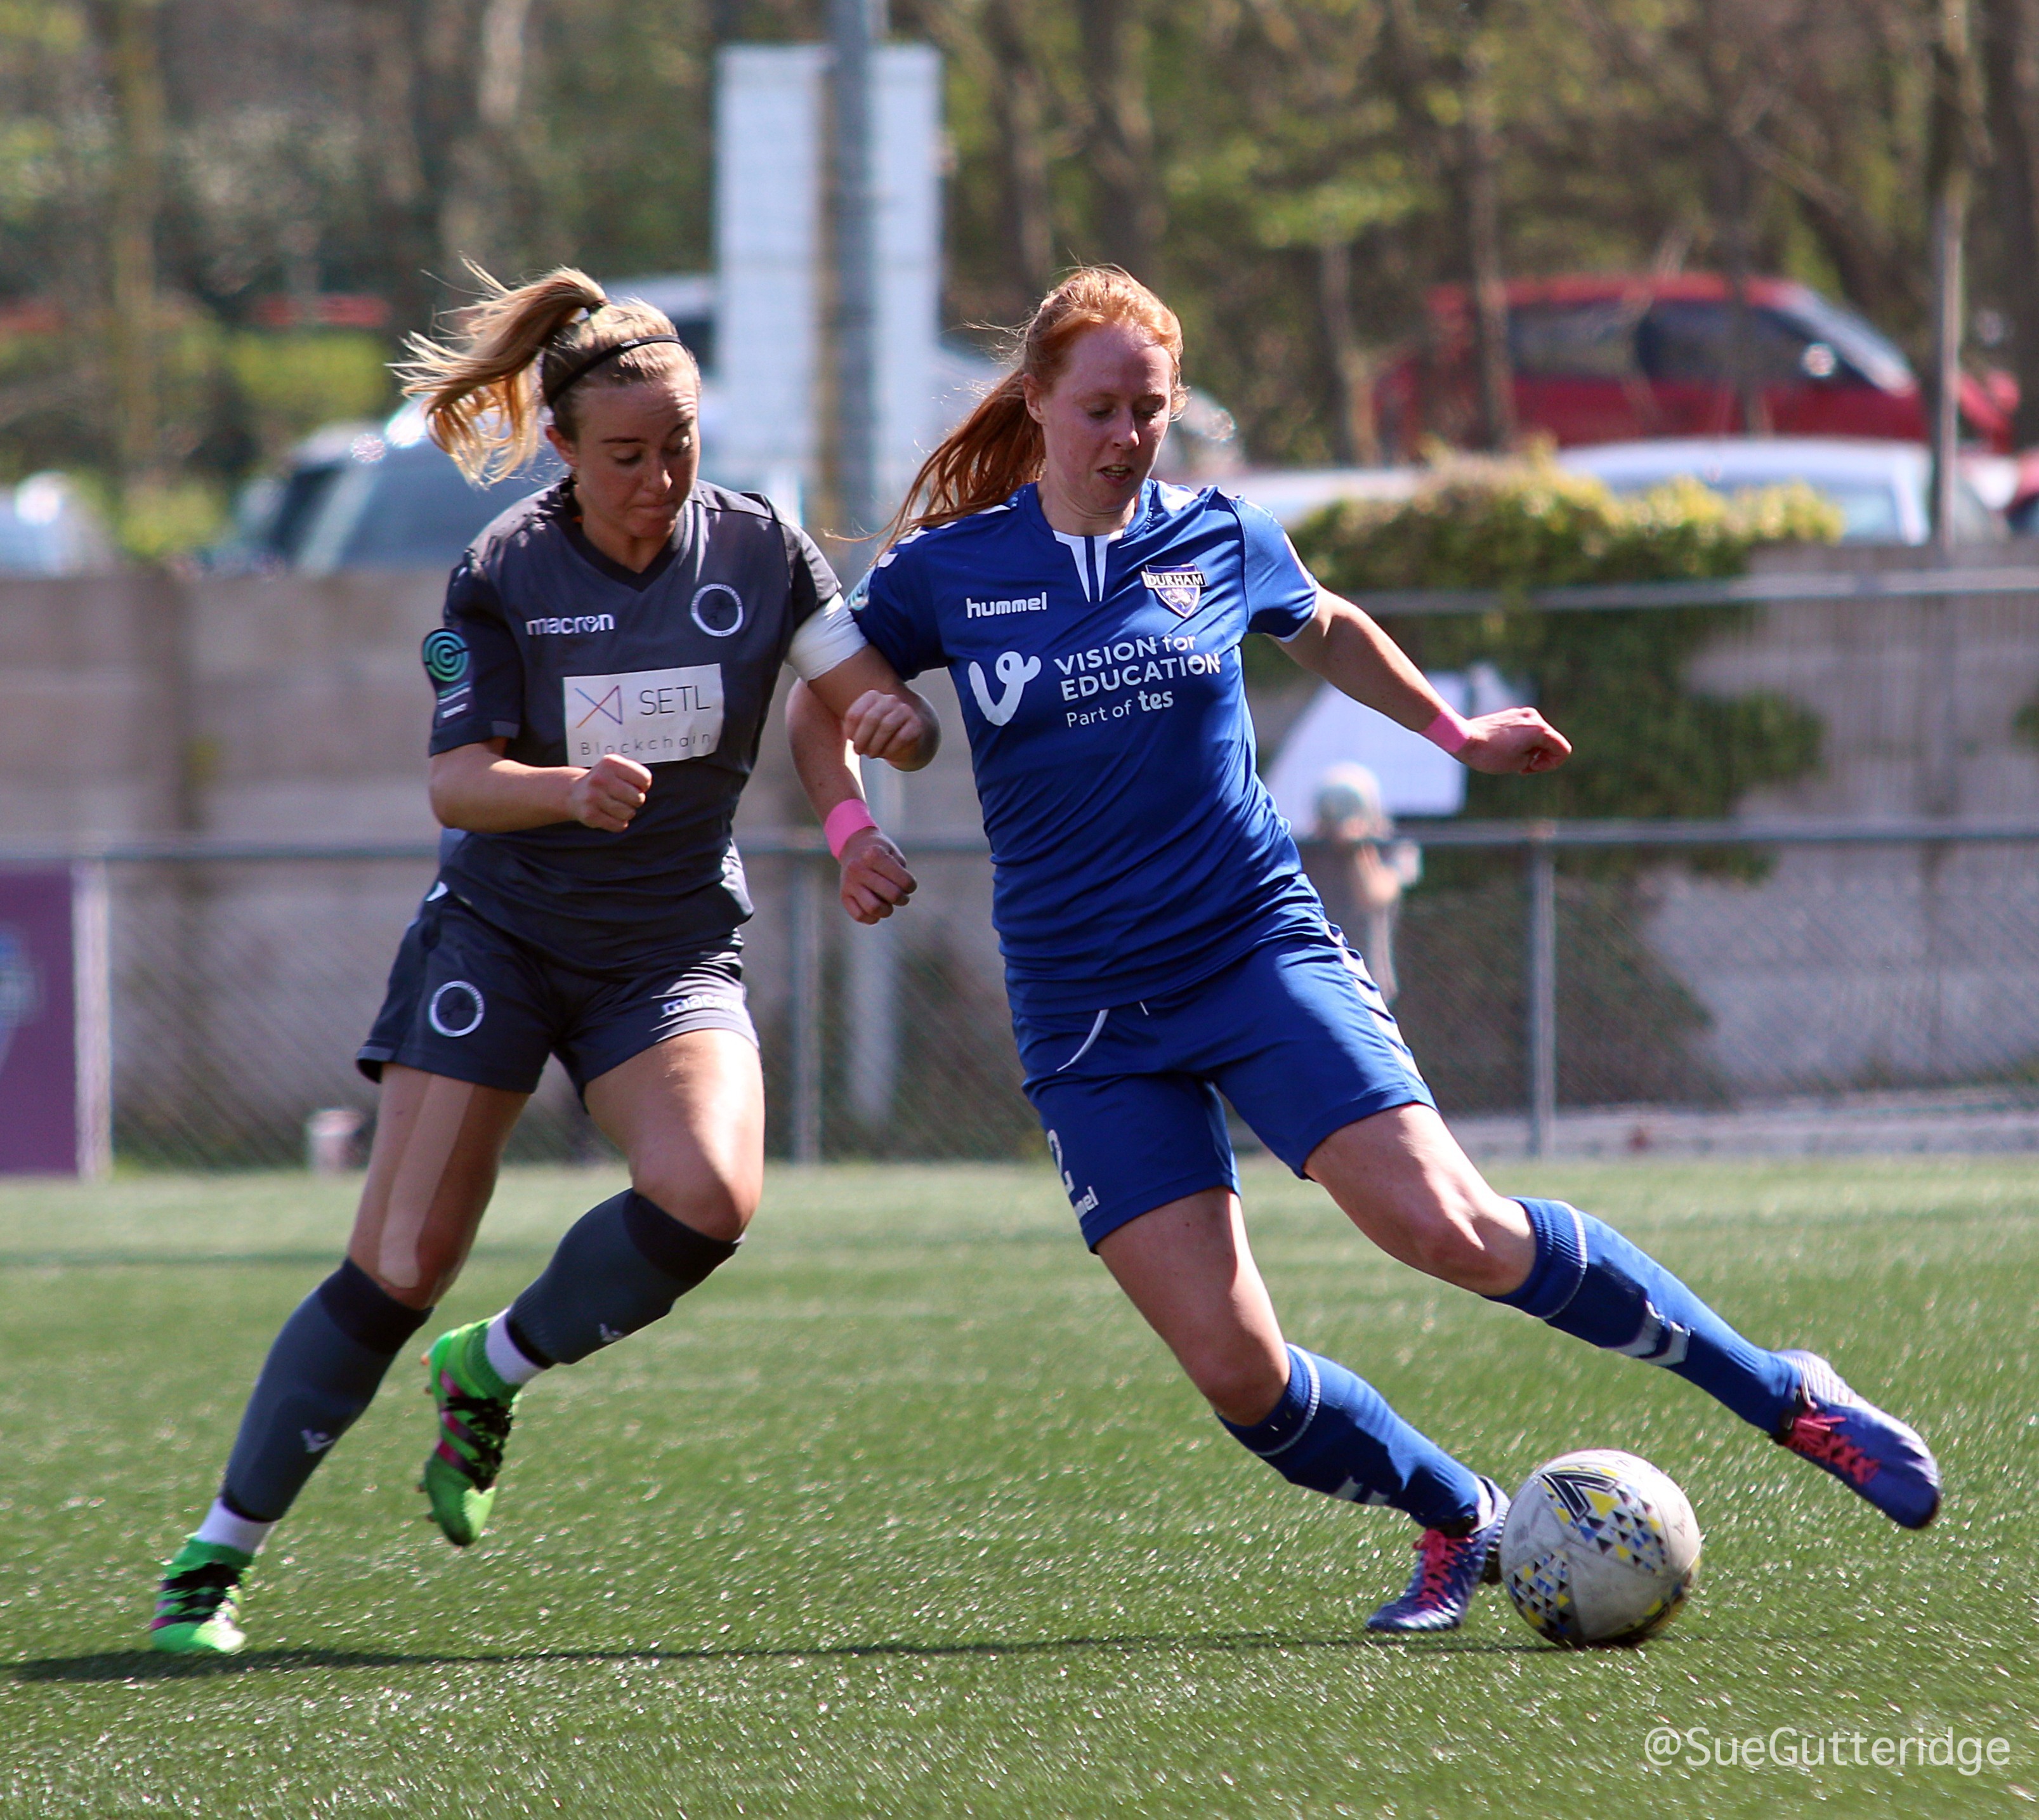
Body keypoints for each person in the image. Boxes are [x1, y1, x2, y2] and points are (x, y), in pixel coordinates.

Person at [794, 266, 1941, 1635]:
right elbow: (825, 692)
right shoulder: (947, 572)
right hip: (1085, 1016)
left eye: (1147, 411)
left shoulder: (1217, 537)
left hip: (1246, 952)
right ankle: (1457, 1517)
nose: (1123, 437)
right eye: (1098, 408)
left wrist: (1454, 737)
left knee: (1444, 1226)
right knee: (1234, 1370)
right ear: (1036, 399)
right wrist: (851, 826)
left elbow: (1323, 624)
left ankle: (1782, 1394)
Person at [149, 267, 939, 1656]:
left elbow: (836, 689)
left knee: (709, 1194)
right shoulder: (501, 570)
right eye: (627, 455)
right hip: (502, 938)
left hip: (670, 945)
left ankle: (491, 1372)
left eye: (681, 443)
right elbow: (457, 785)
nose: (660, 476)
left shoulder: (761, 548)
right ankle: (213, 1564)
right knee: (398, 1262)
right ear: (565, 451)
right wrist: (566, 790)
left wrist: (863, 783)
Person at [1305, 761, 1415, 1002]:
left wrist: (1357, 848)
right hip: (1316, 979)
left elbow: (1374, 895)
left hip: (1369, 983)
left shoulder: (1394, 848)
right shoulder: (1308, 850)